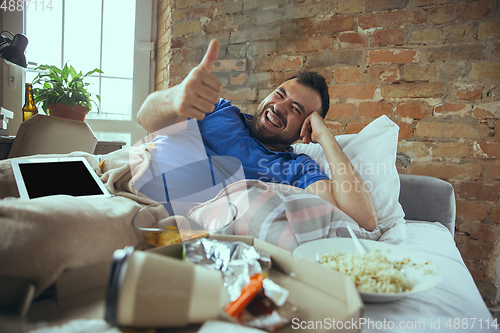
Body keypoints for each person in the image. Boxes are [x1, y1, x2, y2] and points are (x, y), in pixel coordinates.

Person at [137, 40, 378, 231]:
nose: (279, 107)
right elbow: (146, 119)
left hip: (180, 227)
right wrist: (174, 98)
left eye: (296, 110)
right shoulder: (220, 110)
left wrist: (326, 137)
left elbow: (364, 220)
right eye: (279, 94)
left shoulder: (298, 168)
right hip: (132, 190)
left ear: (306, 128)